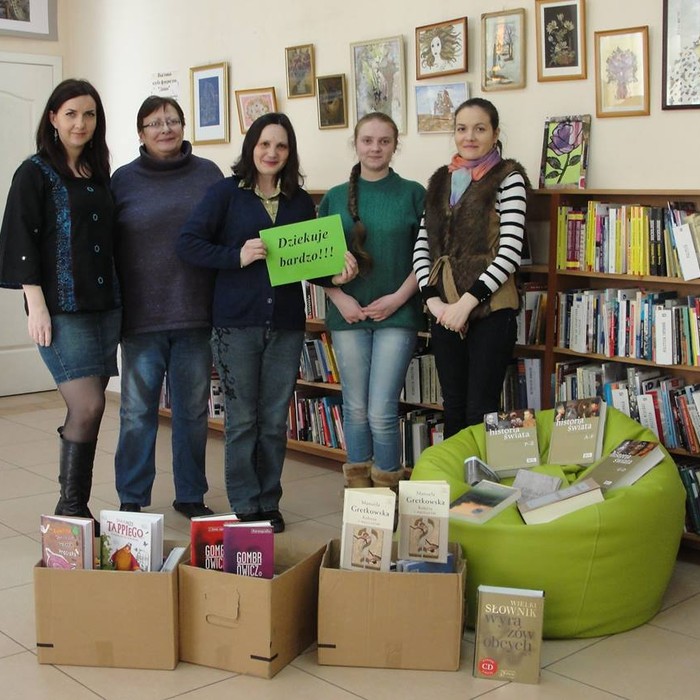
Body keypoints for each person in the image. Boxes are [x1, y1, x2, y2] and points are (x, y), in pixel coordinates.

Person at [177, 113, 318, 533]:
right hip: (236, 324)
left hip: (287, 324)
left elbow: (313, 262)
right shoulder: (225, 194)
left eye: (281, 146)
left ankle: (268, 500)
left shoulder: (300, 200)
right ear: (250, 148)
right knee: (242, 421)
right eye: (264, 144)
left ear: (289, 153)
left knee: (274, 420)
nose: (271, 153)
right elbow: (188, 243)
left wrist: (339, 269)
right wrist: (234, 256)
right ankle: (244, 503)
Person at [0, 79, 120, 528]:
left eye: (88, 114)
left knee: (94, 406)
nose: (80, 123)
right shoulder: (33, 172)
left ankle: (75, 505)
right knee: (87, 405)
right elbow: (18, 237)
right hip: (60, 309)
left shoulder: (98, 170)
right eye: (70, 113)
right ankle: (70, 505)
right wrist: (36, 303)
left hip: (105, 304)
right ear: (52, 118)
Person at [111, 96, 224, 518]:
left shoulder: (208, 175)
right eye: (155, 123)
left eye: (172, 120)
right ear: (141, 133)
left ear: (183, 126)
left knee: (192, 412)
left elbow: (224, 233)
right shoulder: (122, 180)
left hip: (196, 313)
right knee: (137, 413)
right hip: (141, 318)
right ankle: (132, 497)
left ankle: (191, 495)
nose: (165, 129)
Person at [317, 112, 425, 491]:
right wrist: (339, 297)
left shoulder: (414, 193)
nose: (375, 148)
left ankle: (386, 493)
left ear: (396, 145)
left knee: (381, 411)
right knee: (355, 409)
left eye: (384, 141)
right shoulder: (333, 197)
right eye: (367, 140)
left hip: (398, 314)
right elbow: (317, 262)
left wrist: (397, 299)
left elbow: (425, 257)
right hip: (348, 314)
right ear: (356, 143)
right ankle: (360, 497)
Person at [413, 97, 529, 437]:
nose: (470, 137)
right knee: (454, 406)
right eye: (462, 129)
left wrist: (466, 304)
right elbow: (422, 246)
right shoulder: (440, 181)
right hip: (444, 311)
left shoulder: (509, 179)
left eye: (480, 128)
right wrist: (435, 303)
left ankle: (482, 489)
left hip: (491, 310)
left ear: (494, 133)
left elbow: (509, 253)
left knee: (481, 409)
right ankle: (456, 488)